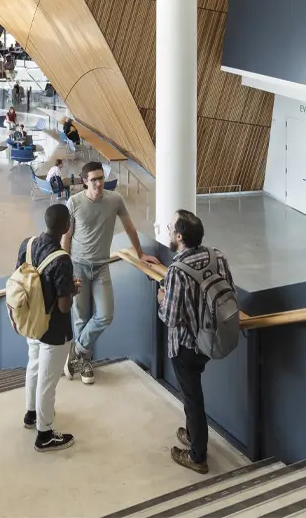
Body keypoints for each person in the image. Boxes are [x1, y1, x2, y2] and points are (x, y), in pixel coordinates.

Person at [63, 161, 161, 384]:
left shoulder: (115, 200)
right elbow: (66, 237)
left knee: (105, 315)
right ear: (85, 181)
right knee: (81, 317)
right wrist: (64, 265)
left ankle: (76, 351)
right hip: (78, 266)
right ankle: (86, 363)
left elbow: (129, 227)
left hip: (101, 267)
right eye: (94, 179)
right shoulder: (74, 202)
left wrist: (140, 253)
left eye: (101, 178)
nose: (99, 183)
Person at [159, 209, 232, 475]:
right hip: (211, 339)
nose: (168, 231)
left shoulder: (177, 271)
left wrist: (161, 300)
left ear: (179, 236)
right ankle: (192, 433)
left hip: (185, 345)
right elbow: (229, 292)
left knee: (192, 398)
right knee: (193, 392)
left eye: (170, 228)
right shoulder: (218, 257)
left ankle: (197, 454)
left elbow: (170, 316)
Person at [19, 204, 78, 452]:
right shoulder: (62, 260)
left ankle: (31, 413)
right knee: (48, 381)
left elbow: (21, 276)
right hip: (54, 329)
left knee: (33, 366)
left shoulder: (28, 244)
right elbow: (64, 307)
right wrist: (73, 289)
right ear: (66, 227)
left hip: (32, 322)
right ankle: (44, 434)